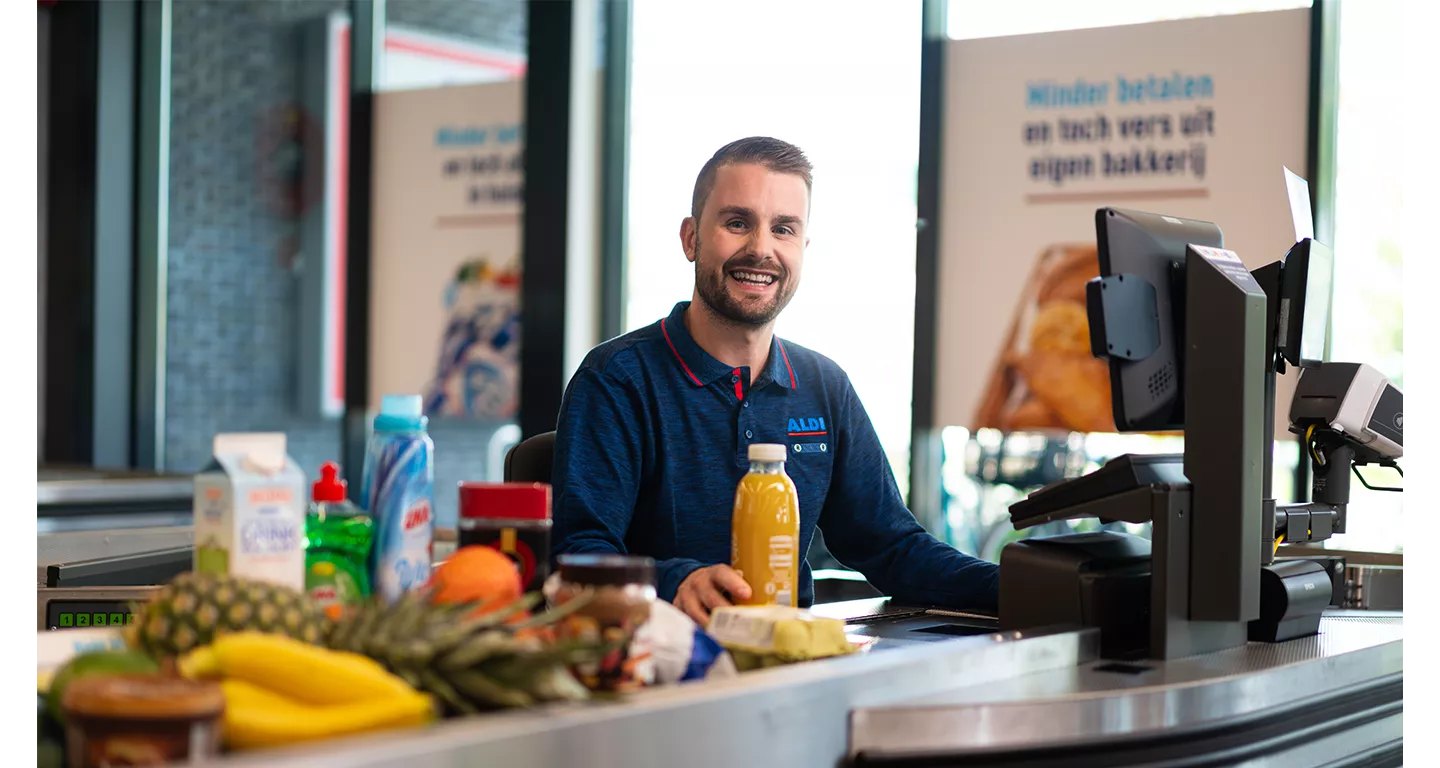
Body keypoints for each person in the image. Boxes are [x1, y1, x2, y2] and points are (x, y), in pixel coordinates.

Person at [550, 136, 998, 626]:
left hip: (785, 671)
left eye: (783, 229)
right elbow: (578, 558)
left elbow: (892, 548)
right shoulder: (617, 380)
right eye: (737, 223)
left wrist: (1027, 586)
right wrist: (676, 581)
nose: (761, 249)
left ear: (802, 249)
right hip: (654, 671)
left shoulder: (824, 386)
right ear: (691, 238)